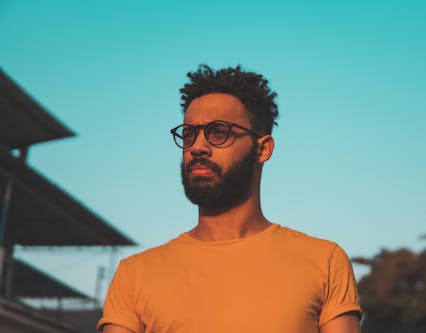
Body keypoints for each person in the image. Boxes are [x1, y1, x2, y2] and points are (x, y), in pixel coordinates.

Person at [97, 65, 362, 333]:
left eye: (218, 132)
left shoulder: (325, 261)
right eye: (189, 134)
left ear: (263, 148)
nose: (198, 147)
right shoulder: (135, 275)